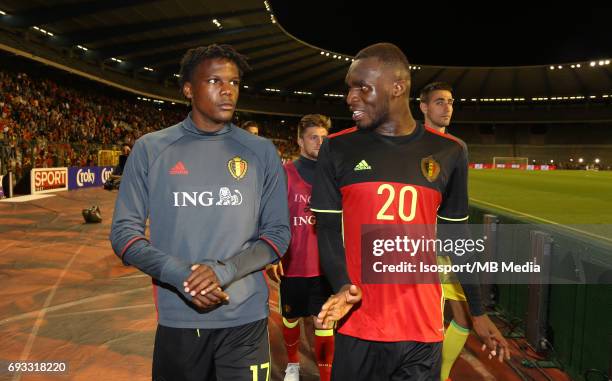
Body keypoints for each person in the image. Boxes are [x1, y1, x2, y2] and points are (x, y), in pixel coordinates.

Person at [310, 43, 510, 381]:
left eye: (363, 87)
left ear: (398, 87)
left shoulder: (450, 151)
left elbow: (455, 235)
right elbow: (328, 230)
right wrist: (343, 285)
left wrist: (477, 312)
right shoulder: (337, 148)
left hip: (422, 331)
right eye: (349, 87)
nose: (350, 97)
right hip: (360, 325)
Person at [110, 44, 290, 381]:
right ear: (189, 89)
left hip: (245, 319)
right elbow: (124, 234)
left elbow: (278, 234)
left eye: (234, 82)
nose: (227, 91)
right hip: (180, 319)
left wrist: (222, 272)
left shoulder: (261, 151)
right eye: (214, 81)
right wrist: (181, 275)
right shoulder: (152, 148)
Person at [420, 81, 497, 380]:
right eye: (439, 101)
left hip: (447, 246)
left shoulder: (457, 148)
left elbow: (456, 213)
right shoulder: (409, 142)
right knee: (425, 323)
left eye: (450, 102)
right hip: (416, 250)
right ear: (424, 107)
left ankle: (442, 374)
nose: (447, 107)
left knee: (464, 318)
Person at [266, 114, 334, 381]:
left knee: (323, 322)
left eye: (323, 138)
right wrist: (274, 254)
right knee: (291, 320)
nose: (319, 142)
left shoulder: (333, 174)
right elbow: (272, 217)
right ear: (299, 140)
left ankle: (327, 376)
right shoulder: (285, 174)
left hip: (324, 266)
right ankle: (293, 364)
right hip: (292, 263)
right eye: (313, 137)